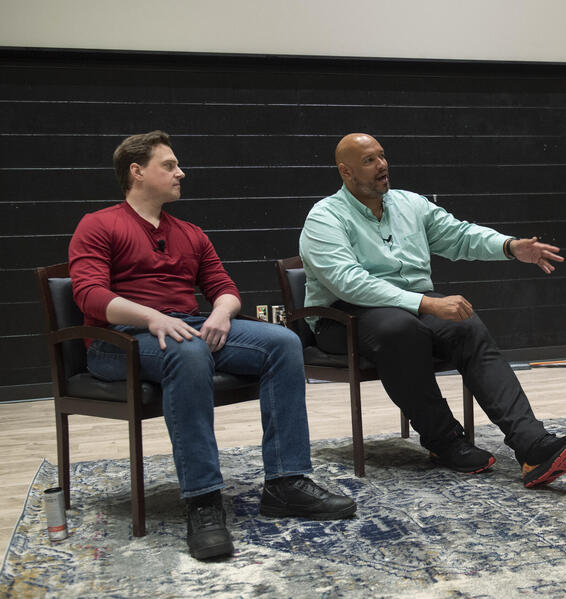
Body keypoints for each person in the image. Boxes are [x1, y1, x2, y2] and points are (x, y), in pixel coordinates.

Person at [68, 131, 356, 561]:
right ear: (137, 171)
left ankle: (285, 483)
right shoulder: (99, 224)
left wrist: (222, 312)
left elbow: (223, 287)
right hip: (120, 342)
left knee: (282, 341)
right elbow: (89, 295)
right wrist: (151, 317)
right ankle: (203, 500)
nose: (180, 172)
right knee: (189, 351)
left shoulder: (189, 232)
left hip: (186, 328)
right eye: (169, 165)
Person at [299, 133, 566, 488]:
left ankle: (532, 444)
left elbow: (460, 236)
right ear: (345, 171)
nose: (383, 165)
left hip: (411, 307)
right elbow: (348, 282)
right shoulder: (325, 217)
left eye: (383, 156)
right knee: (399, 330)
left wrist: (510, 247)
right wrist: (427, 302)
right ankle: (444, 441)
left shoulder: (410, 204)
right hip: (344, 317)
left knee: (465, 326)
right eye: (370, 161)